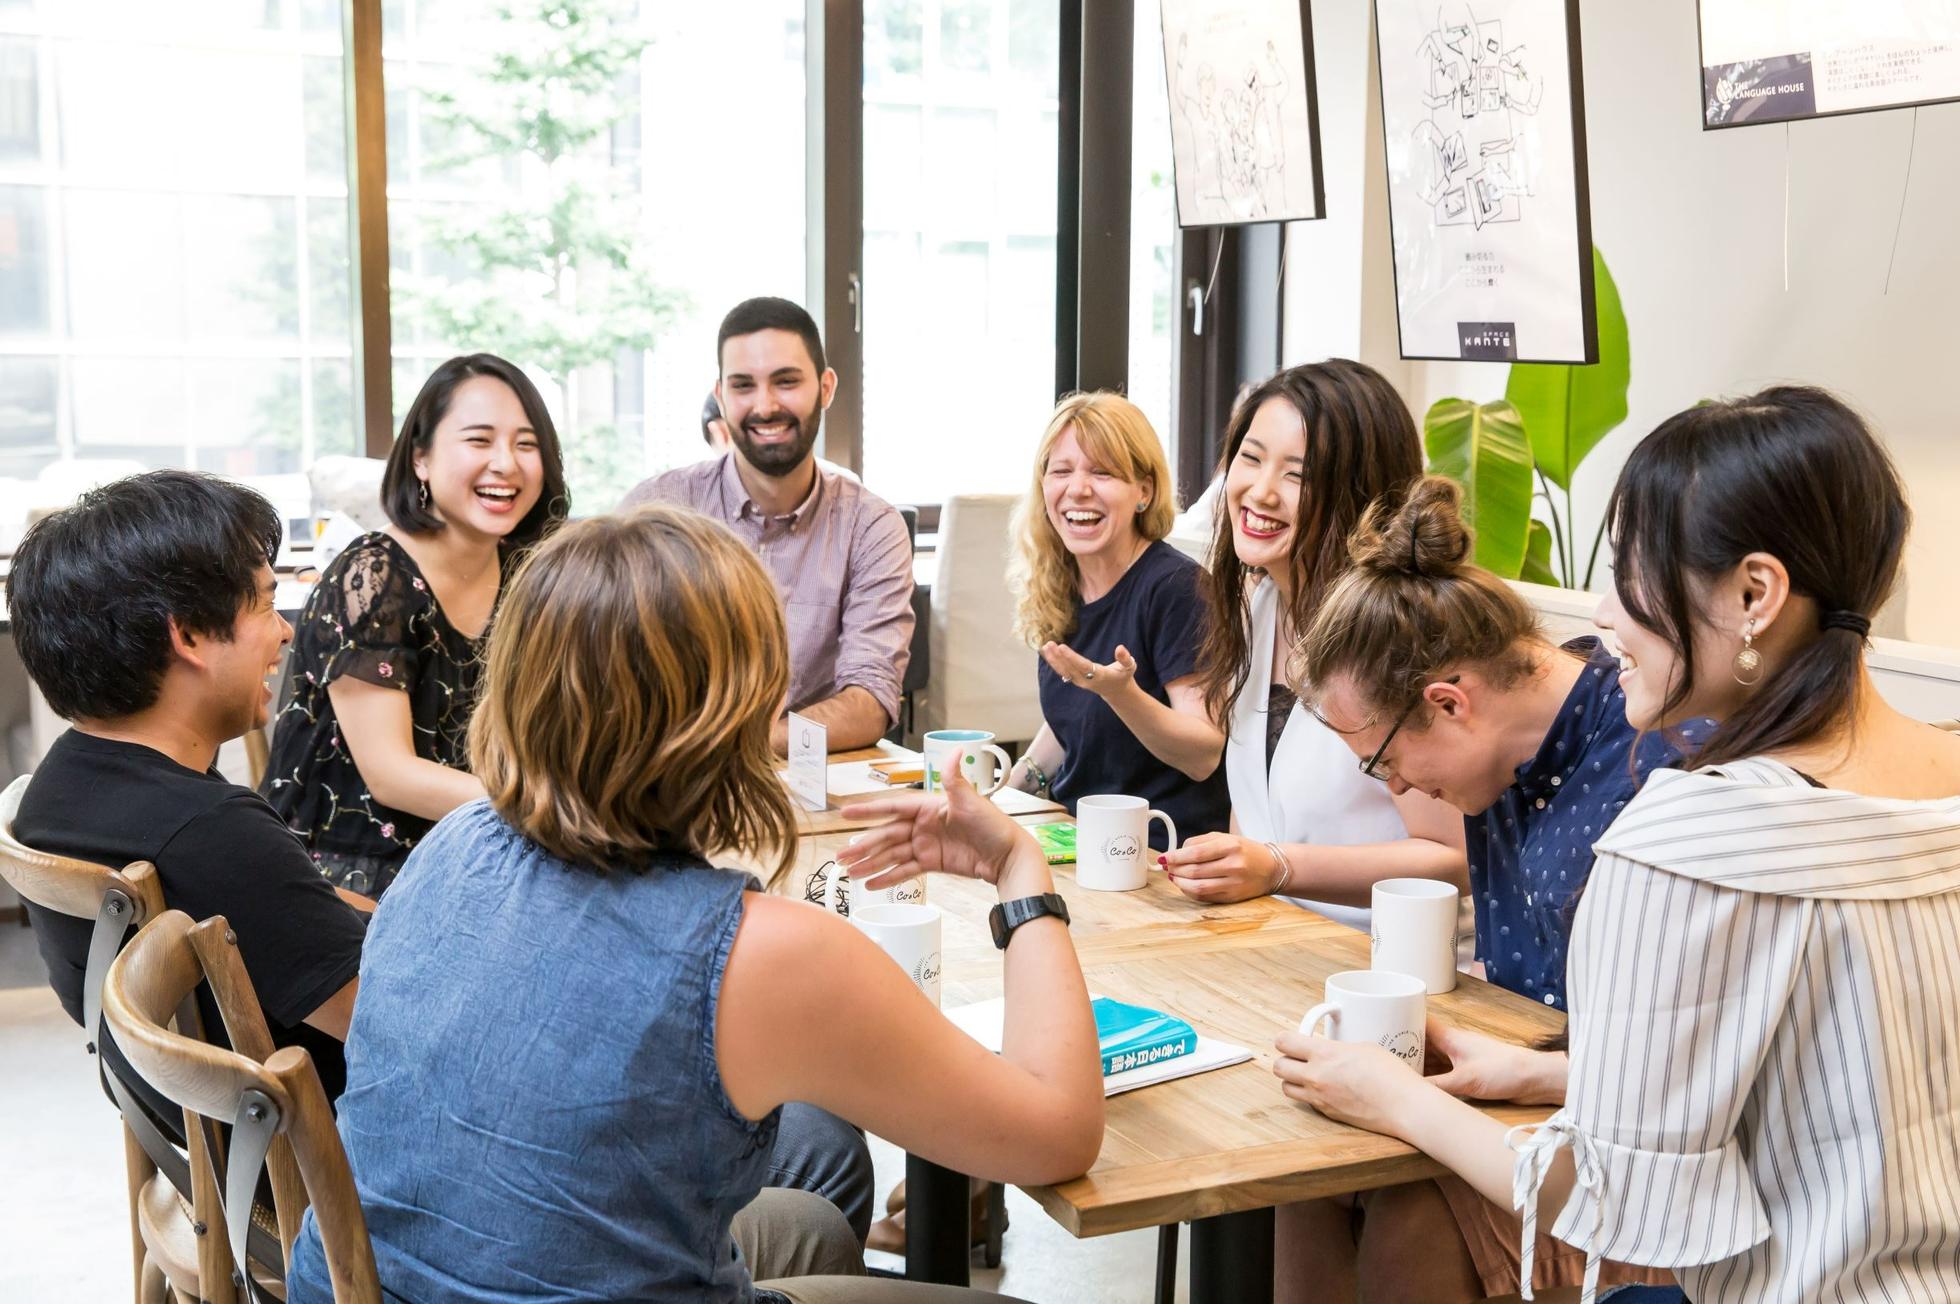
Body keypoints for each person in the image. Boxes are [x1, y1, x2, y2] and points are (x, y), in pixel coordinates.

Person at [286, 504, 1102, 1303]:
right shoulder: (767, 953)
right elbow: (1058, 1135)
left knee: (812, 1224)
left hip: (361, 1284)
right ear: (732, 710)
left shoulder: (450, 844)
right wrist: (1018, 869)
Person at [1276, 387, 1960, 1302]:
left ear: (1754, 594)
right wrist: (1541, 1070)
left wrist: (1391, 1095)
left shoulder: (1680, 836)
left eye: (1630, 575)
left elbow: (1613, 1201)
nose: (1604, 615)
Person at [1271, 475, 1684, 1302]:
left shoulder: (1657, 761)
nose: (1393, 784)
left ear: (1450, 702)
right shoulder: (1506, 761)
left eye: (1385, 761)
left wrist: (1514, 1079)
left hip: (1650, 1148)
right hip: (1541, 1081)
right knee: (1305, 1179)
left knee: (1412, 1212)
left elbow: (1686, 1068)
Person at [7, 470, 368, 1138]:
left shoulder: (61, 783)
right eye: (266, 606)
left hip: (201, 1142)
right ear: (191, 636)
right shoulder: (211, 833)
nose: (284, 634)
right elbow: (397, 1029)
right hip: (319, 1163)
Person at [1162, 359, 1467, 936]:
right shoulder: (1260, 604)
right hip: (1276, 941)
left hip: (1390, 957)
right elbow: (1256, 813)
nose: (1260, 492)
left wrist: (1278, 867)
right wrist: (1230, 868)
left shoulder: (1399, 635)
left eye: (1297, 476)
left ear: (1361, 491)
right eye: (1251, 459)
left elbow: (1453, 858)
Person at [261, 353, 568, 899]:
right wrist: (546, 810)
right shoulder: (373, 575)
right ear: (420, 459)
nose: (506, 463)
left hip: (474, 849)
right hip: (347, 877)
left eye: (527, 444)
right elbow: (391, 774)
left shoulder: (525, 572)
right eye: (479, 440)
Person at [621, 297, 914, 755]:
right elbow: (610, 673)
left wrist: (736, 746)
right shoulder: (658, 511)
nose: (765, 405)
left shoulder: (871, 527)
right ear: (721, 397)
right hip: (670, 778)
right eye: (743, 385)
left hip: (811, 779)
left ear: (826, 388)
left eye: (786, 381)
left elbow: (869, 703)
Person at [1004, 390, 1229, 841]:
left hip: (1156, 848)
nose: (1078, 488)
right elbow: (1075, 716)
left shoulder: (1177, 588)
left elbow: (1203, 754)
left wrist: (1120, 693)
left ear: (1144, 491)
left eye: (1102, 472)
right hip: (1076, 835)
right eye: (1061, 471)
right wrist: (1005, 794)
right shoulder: (1060, 580)